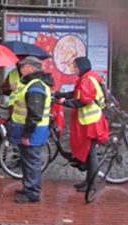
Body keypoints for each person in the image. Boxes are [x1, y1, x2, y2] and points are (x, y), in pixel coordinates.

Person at [55, 56, 109, 192]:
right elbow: (76, 94)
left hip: (91, 122)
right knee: (89, 152)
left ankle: (91, 185)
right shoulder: (87, 78)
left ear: (82, 66)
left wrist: (64, 102)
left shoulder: (87, 80)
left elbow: (83, 101)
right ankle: (88, 182)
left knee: (91, 154)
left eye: (75, 66)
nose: (74, 69)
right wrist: (60, 94)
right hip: (89, 121)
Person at [9, 56, 53, 204]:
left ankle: (32, 192)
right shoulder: (32, 84)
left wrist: (27, 134)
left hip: (33, 132)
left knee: (32, 162)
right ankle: (28, 188)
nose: (21, 69)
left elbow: (34, 114)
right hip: (31, 131)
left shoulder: (36, 87)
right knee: (27, 161)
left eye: (23, 67)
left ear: (32, 68)